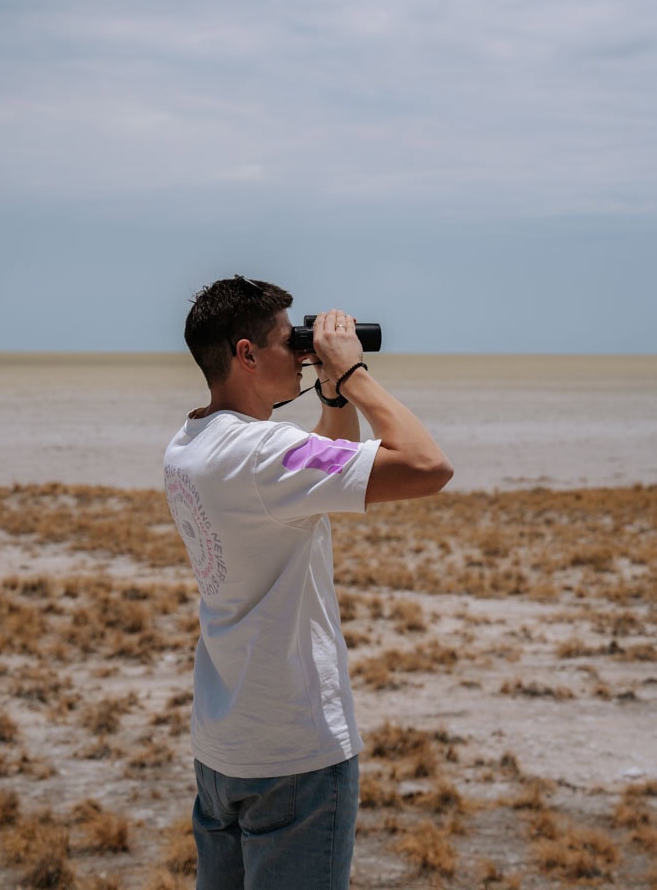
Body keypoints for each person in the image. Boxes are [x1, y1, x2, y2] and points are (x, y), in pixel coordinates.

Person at [163, 275, 453, 890]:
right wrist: (353, 375)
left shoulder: (189, 444)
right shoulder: (265, 455)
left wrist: (331, 400)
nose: (300, 351)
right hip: (295, 753)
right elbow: (429, 466)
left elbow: (316, 482)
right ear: (246, 353)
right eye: (286, 340)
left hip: (225, 750)